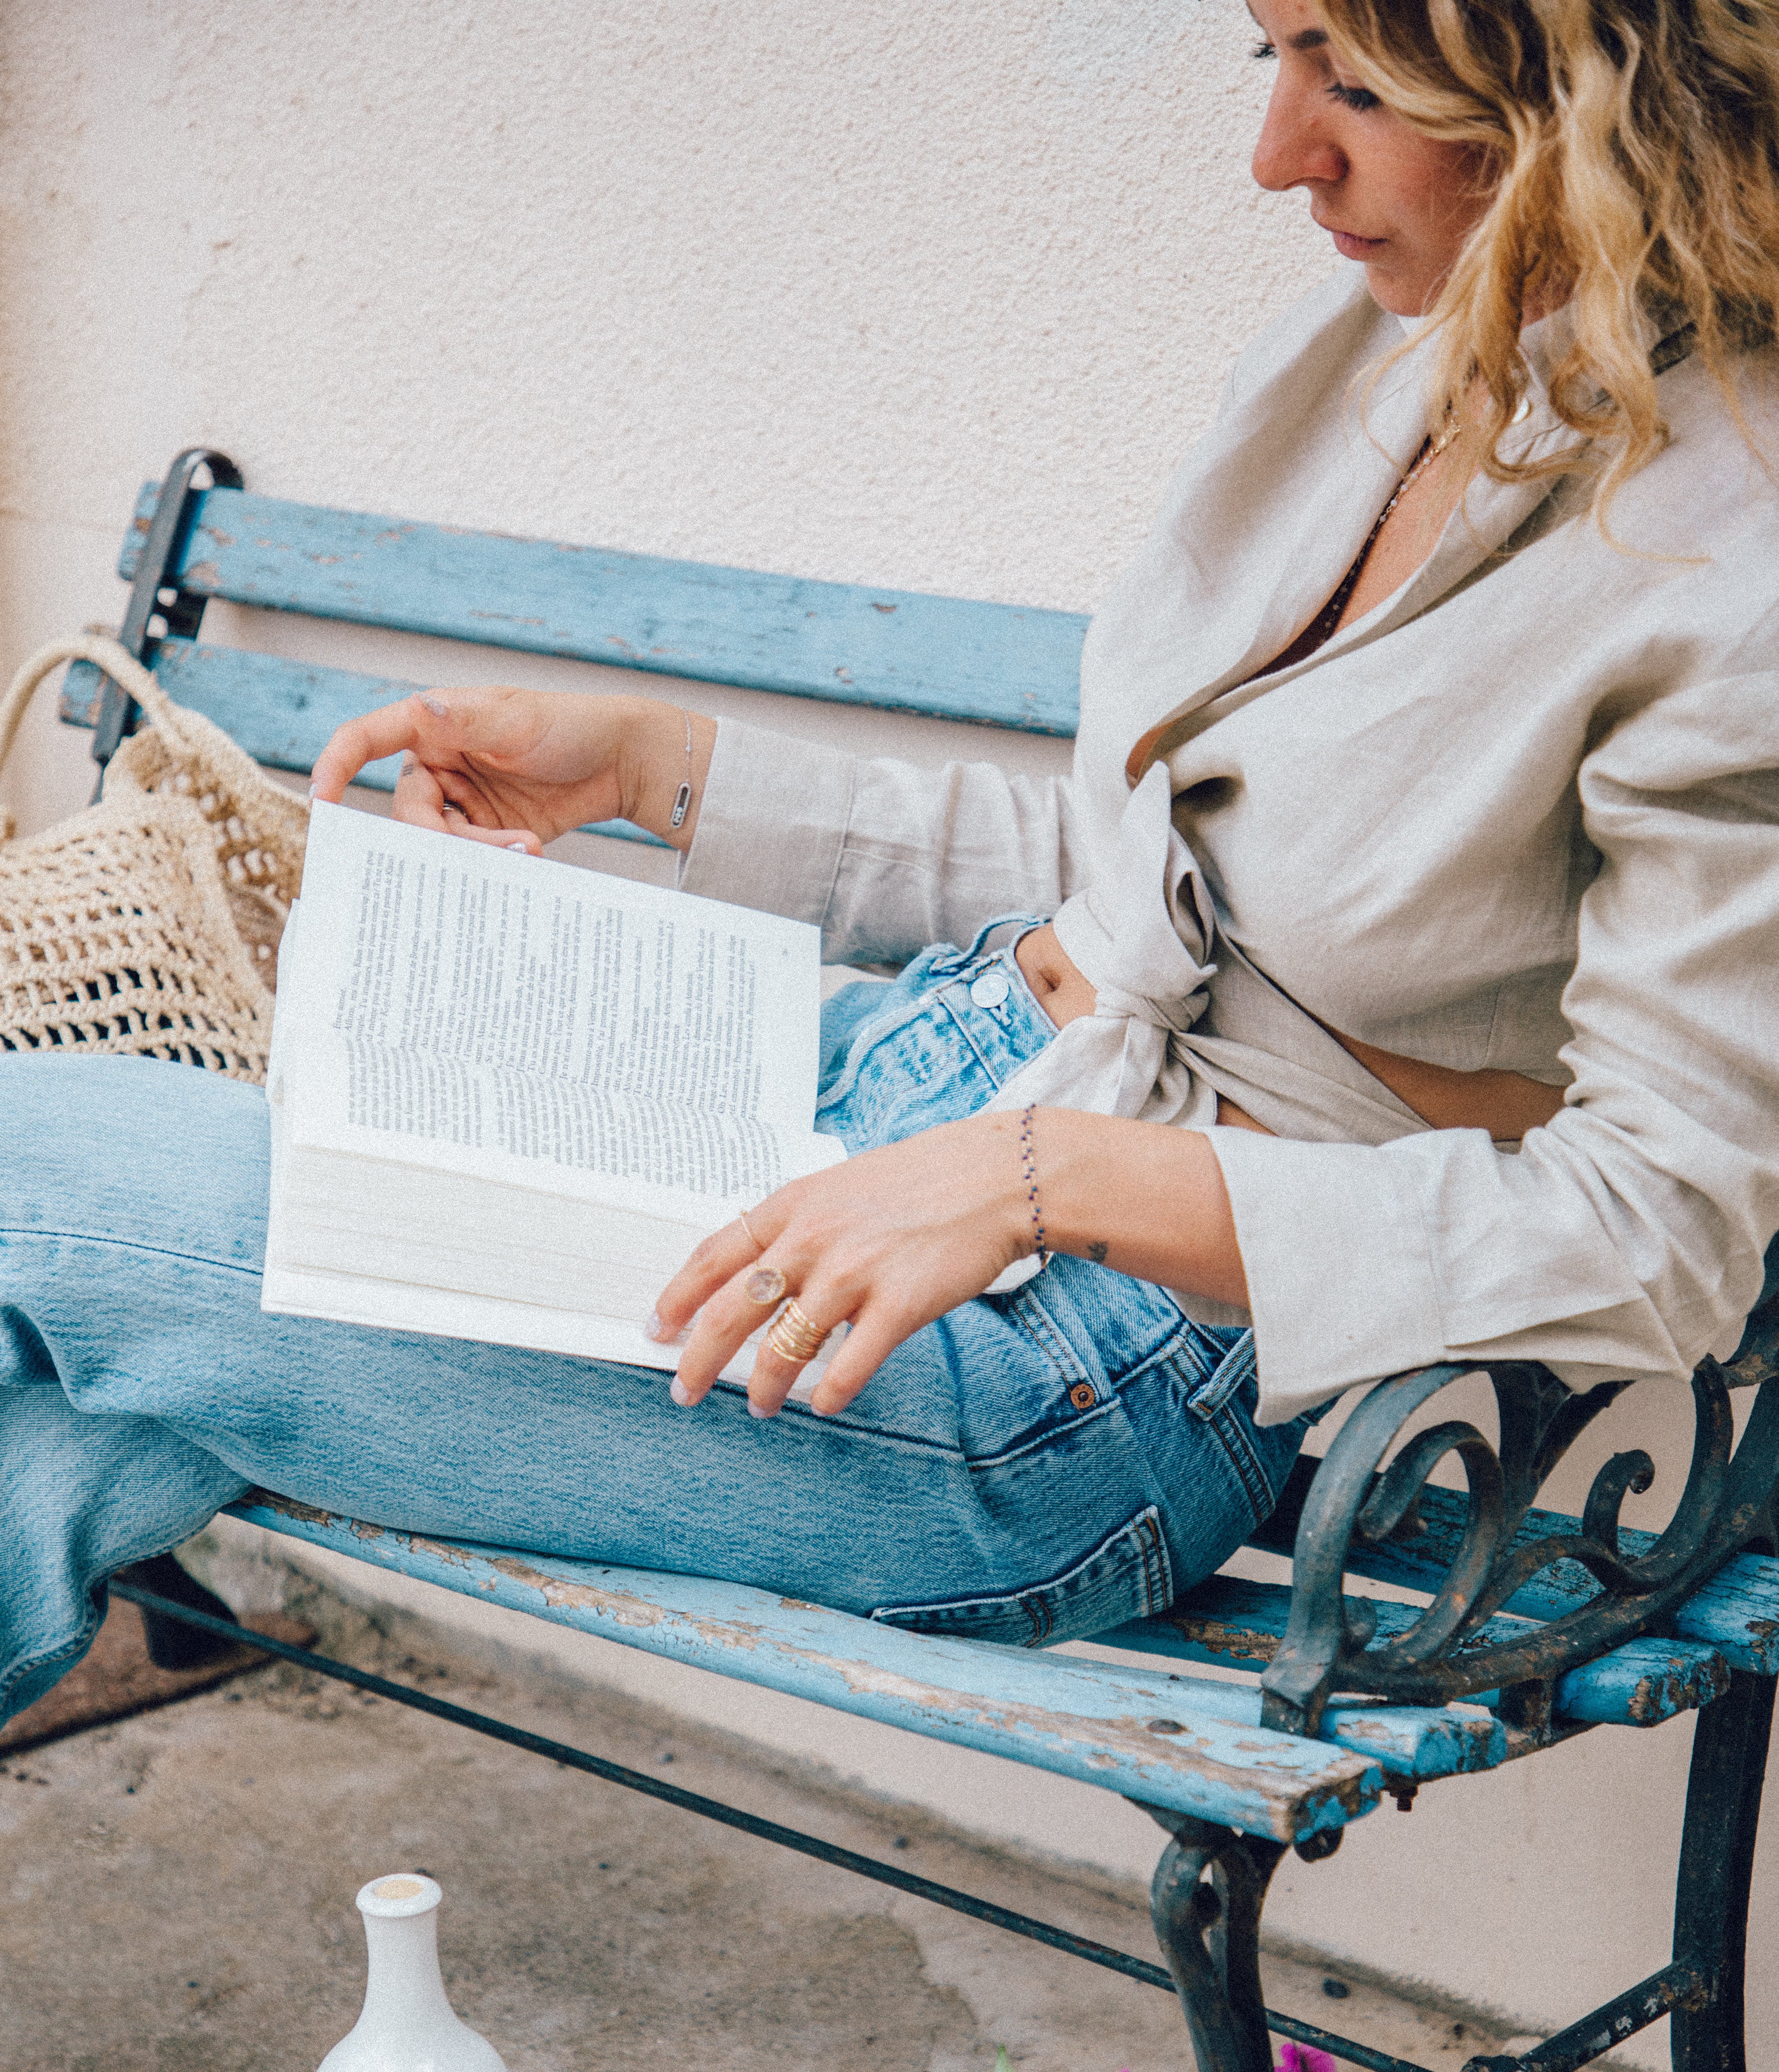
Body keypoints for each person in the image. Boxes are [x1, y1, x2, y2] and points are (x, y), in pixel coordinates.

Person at [4, 0, 1778, 1723]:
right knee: (70, 1425)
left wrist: (1041, 1176)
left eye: (1362, 80)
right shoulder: (1388, 359)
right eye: (1274, 54)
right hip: (907, 1085)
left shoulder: (1734, 550)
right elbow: (1158, 884)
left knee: (39, 1152)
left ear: (1596, 82)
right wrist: (656, 768)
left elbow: (1663, 1225)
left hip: (1083, 1371)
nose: (1275, 156)